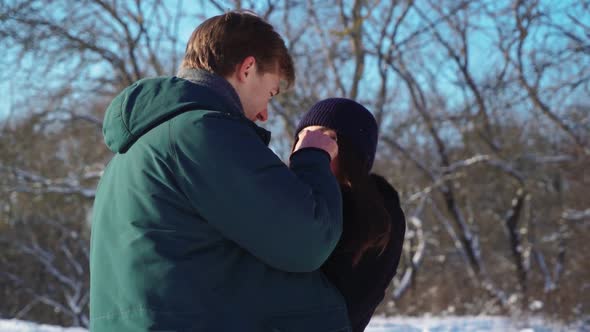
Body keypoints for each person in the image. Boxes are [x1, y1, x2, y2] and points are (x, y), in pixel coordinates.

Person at [90, 11, 351, 331]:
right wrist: (312, 158)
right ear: (247, 68)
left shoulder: (132, 151)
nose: (265, 114)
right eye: (270, 93)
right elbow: (307, 240)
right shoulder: (203, 133)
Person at [293, 98, 407, 332]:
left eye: (328, 138)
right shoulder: (282, 196)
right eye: (304, 137)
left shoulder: (379, 216)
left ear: (353, 153)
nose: (311, 146)